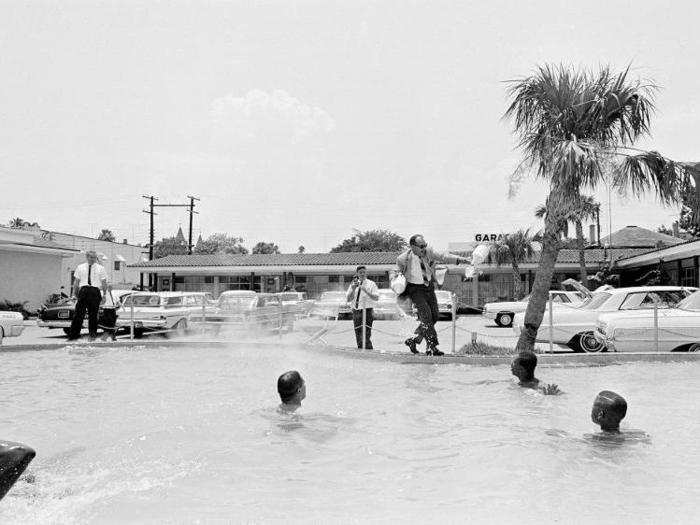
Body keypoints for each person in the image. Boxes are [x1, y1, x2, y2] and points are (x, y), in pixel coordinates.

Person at [397, 234, 468, 355]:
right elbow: (399, 273)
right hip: (415, 289)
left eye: (425, 245)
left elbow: (443, 256)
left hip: (428, 287)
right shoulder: (403, 259)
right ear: (413, 246)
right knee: (427, 316)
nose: (424, 248)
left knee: (434, 316)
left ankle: (414, 340)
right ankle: (432, 347)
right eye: (421, 246)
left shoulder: (428, 252)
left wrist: (460, 259)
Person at [68, 250, 108, 341]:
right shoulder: (80, 267)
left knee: (93, 315)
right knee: (78, 314)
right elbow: (76, 282)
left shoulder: (101, 268)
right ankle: (73, 336)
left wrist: (104, 295)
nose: (93, 259)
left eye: (94, 257)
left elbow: (104, 282)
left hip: (95, 291)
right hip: (83, 290)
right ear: (87, 257)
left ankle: (92, 335)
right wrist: (74, 294)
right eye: (91, 257)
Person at [345, 265, 379, 350]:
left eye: (364, 272)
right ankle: (361, 352)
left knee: (366, 334)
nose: (362, 274)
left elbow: (376, 297)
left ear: (366, 273)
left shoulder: (371, 284)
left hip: (367, 311)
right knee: (358, 333)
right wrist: (353, 289)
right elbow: (348, 299)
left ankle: (369, 351)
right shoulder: (353, 284)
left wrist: (365, 290)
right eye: (360, 272)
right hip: (356, 311)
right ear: (357, 274)